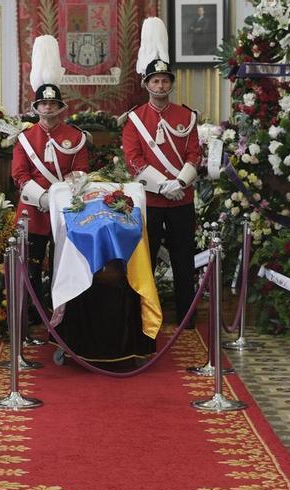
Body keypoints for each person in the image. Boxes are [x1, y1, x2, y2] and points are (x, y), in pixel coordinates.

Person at [123, 18, 202, 331]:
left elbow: (194, 153)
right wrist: (162, 186)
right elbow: (133, 159)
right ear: (146, 84)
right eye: (155, 81)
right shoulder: (135, 120)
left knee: (184, 261)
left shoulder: (187, 116)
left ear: (171, 84)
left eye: (165, 81)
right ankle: (146, 316)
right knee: (148, 261)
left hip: (182, 198)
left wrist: (179, 183)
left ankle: (186, 317)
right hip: (152, 201)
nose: (160, 86)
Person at [12, 35, 89, 320]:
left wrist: (59, 198)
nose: (47, 109)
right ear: (36, 108)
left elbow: (80, 172)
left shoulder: (75, 137)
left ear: (60, 107)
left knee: (64, 266)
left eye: (52, 104)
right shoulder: (24, 138)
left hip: (65, 212)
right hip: (32, 212)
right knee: (30, 269)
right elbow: (19, 175)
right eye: (43, 105)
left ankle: (64, 317)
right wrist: (43, 198)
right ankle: (31, 319)